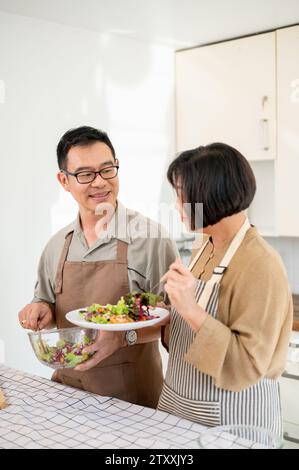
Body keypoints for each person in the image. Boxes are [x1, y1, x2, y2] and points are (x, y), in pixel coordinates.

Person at [19, 126, 178, 408]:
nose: (100, 183)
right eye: (85, 174)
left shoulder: (152, 240)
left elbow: (173, 325)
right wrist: (39, 308)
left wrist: (121, 338)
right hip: (68, 394)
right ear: (64, 181)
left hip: (132, 401)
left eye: (107, 170)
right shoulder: (56, 246)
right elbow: (44, 301)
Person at [158, 143, 293, 435]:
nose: (177, 205)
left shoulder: (261, 263)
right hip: (181, 408)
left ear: (209, 195)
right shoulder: (203, 244)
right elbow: (189, 332)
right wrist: (166, 313)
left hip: (231, 420)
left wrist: (190, 309)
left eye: (182, 194)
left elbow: (245, 364)